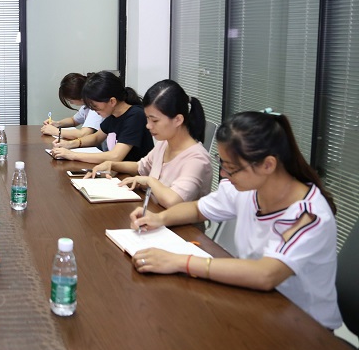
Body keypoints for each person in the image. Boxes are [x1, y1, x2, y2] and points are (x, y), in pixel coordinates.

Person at [130, 111, 342, 330]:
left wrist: (179, 262)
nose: (224, 174)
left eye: (232, 168)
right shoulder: (249, 188)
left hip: (304, 326)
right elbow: (197, 209)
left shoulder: (307, 215)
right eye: (222, 164)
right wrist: (159, 218)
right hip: (258, 303)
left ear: (268, 165)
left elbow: (266, 274)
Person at [89, 79, 212, 208]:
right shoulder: (164, 143)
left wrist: (149, 181)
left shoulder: (197, 159)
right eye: (147, 118)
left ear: (178, 120)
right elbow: (141, 167)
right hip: (153, 212)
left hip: (175, 220)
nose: (148, 125)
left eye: (155, 120)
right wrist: (112, 164)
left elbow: (173, 201)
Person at [52, 71, 153, 164]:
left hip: (135, 175)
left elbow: (115, 156)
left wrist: (72, 155)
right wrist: (70, 144)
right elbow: (96, 138)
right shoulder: (113, 115)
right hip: (117, 172)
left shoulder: (135, 116)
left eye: (94, 106)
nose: (93, 109)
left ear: (112, 101)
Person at [40, 72, 103, 142]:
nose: (70, 103)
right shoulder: (86, 106)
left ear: (81, 98)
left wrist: (55, 131)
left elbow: (84, 134)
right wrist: (57, 123)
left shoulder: (96, 107)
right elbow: (74, 120)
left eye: (70, 100)